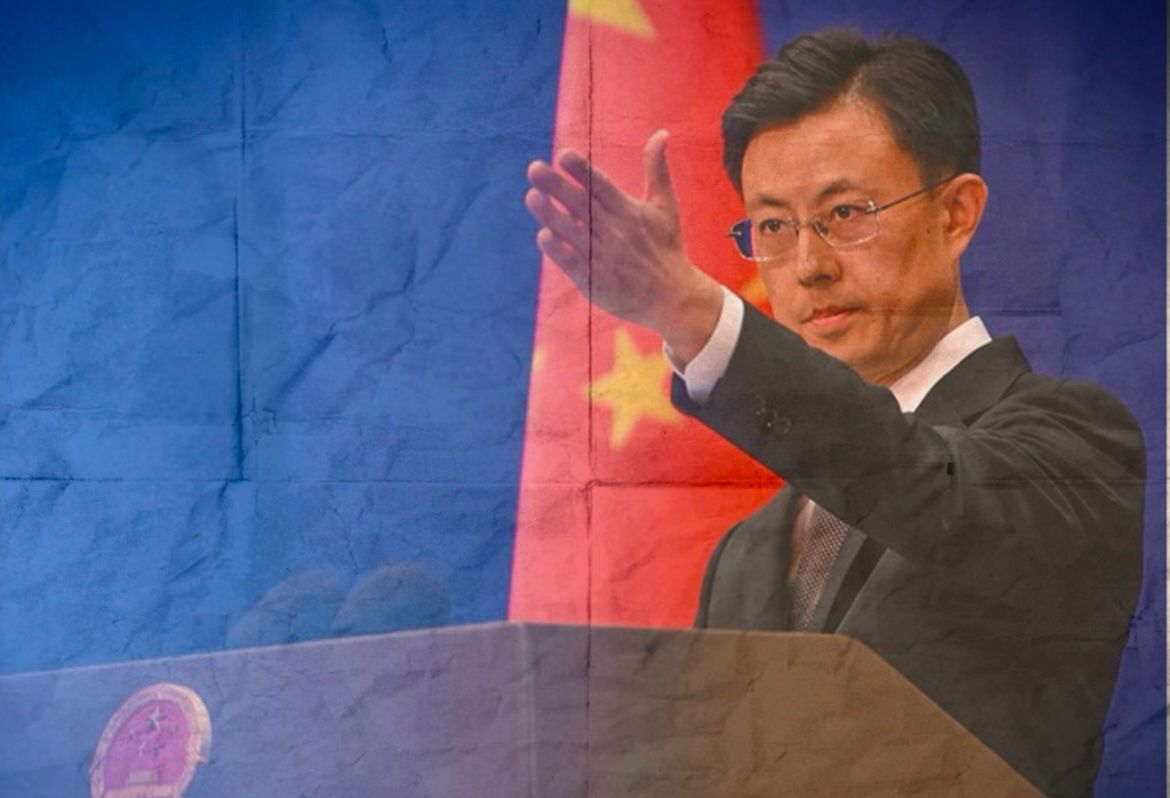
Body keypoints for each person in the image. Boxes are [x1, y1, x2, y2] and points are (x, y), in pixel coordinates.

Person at [523, 28, 1144, 798]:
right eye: (773, 227)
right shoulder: (746, 552)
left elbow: (923, 483)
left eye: (846, 213)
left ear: (956, 214)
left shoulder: (1079, 442)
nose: (808, 266)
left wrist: (693, 314)